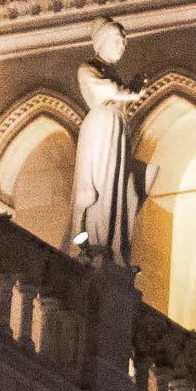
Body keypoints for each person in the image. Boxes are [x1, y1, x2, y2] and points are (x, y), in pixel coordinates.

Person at [69, 21, 143, 258]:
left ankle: (117, 246)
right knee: (103, 183)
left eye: (124, 41)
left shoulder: (110, 74)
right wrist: (132, 90)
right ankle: (96, 242)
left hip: (117, 129)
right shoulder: (88, 69)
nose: (122, 45)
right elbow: (109, 88)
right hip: (103, 129)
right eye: (117, 40)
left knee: (125, 190)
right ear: (101, 41)